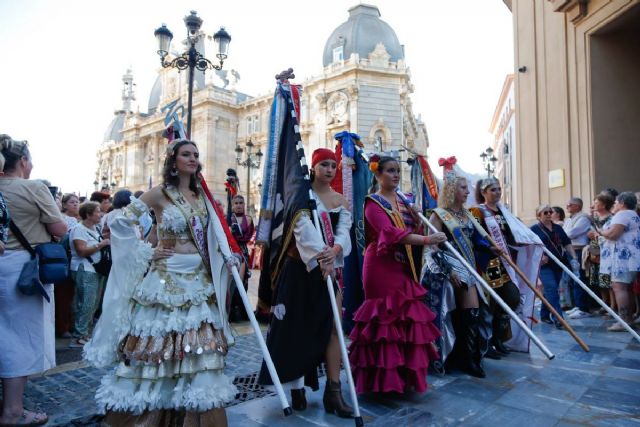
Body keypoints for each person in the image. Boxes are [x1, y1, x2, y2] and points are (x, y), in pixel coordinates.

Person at [83, 139, 239, 426]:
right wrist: (146, 251)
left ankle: (192, 416)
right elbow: (118, 222)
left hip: (199, 281)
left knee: (200, 350)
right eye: (185, 154)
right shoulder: (159, 194)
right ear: (173, 159)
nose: (192, 158)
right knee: (157, 349)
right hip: (165, 281)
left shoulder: (201, 195)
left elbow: (215, 234)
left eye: (195, 154)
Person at [258, 148, 356, 417]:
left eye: (333, 166)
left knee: (335, 328)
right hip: (300, 271)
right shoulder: (301, 196)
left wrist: (334, 252)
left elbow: (344, 232)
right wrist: (321, 256)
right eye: (324, 164)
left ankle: (334, 392)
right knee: (296, 328)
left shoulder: (340, 200)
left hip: (328, 271)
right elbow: (301, 230)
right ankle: (296, 384)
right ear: (312, 167)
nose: (329, 170)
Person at [349, 155, 443, 392]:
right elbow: (390, 233)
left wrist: (417, 217)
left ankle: (402, 378)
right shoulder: (373, 202)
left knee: (405, 317)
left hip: (403, 264)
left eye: (397, 171)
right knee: (384, 320)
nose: (395, 175)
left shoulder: (404, 201)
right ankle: (380, 382)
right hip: (381, 266)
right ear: (378, 174)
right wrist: (426, 239)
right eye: (390, 171)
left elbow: (411, 229)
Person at [0, 134, 68, 426]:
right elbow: (60, 228)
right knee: (20, 337)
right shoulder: (33, 188)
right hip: (21, 269)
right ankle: (13, 410)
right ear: (24, 161)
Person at [422, 160, 495, 378]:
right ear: (452, 190)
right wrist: (447, 270)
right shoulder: (439, 214)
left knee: (472, 312)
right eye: (464, 188)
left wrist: (491, 248)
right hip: (445, 267)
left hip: (467, 265)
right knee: (453, 313)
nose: (468, 191)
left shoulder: (468, 214)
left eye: (468, 188)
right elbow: (432, 247)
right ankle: (452, 356)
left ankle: (469, 358)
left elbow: (476, 241)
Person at [470, 178, 542, 357]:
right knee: (494, 302)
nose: (497, 192)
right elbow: (474, 236)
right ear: (484, 192)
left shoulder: (505, 212)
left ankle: (498, 338)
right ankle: (488, 342)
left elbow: (512, 235)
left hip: (507, 262)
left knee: (512, 298)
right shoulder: (477, 211)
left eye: (498, 189)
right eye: (493, 189)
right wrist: (488, 248)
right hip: (489, 264)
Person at [68, 201, 110, 347]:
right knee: (85, 302)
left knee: (93, 303)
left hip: (95, 269)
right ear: (88, 214)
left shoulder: (95, 228)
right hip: (85, 269)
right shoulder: (78, 229)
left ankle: (84, 333)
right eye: (97, 211)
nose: (101, 214)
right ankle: (78, 336)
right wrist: (101, 244)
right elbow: (81, 251)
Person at [597, 192, 640, 332]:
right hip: (631, 257)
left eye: (616, 202)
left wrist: (600, 232)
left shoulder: (622, 214)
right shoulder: (633, 214)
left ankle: (624, 321)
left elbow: (613, 234)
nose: (614, 205)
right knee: (627, 288)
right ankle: (629, 319)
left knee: (619, 287)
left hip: (623, 259)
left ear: (622, 203)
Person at [531, 205, 578, 328]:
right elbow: (528, 247)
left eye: (550, 212)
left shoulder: (558, 228)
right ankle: (559, 318)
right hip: (544, 265)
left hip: (559, 263)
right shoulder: (533, 229)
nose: (548, 214)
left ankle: (544, 315)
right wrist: (539, 256)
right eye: (545, 212)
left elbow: (567, 243)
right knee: (551, 288)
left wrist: (574, 258)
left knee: (550, 290)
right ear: (538, 215)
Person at [564, 197, 594, 319]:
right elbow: (565, 232)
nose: (567, 207)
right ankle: (577, 305)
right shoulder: (569, 219)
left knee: (579, 278)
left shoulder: (583, 218)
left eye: (570, 205)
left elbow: (572, 233)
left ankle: (583, 308)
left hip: (579, 250)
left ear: (577, 206)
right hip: (571, 250)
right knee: (572, 279)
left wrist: (562, 236)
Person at [586, 193, 615, 314]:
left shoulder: (612, 218)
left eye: (597, 202)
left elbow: (610, 234)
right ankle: (605, 303)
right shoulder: (595, 218)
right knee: (598, 279)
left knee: (608, 280)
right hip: (595, 249)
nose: (594, 205)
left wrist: (599, 234)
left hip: (606, 251)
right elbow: (590, 232)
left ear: (604, 204)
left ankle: (613, 306)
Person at [227, 194, 254, 322]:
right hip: (231, 252)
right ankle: (230, 310)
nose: (238, 205)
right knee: (230, 282)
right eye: (236, 203)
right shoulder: (228, 219)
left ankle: (241, 311)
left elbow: (247, 236)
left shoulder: (248, 219)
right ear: (232, 205)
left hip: (242, 252)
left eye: (240, 203)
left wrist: (235, 235)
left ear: (244, 205)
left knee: (243, 283)